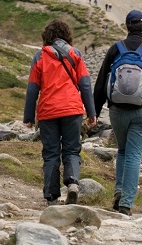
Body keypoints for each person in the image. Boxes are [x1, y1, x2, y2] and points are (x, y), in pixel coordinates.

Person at [93, 10, 142, 216]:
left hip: (117, 110)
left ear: (127, 26)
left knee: (123, 151)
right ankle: (126, 203)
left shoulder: (115, 49)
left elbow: (101, 83)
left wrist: (95, 112)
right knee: (134, 154)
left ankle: (118, 192)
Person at [23, 19, 98, 206]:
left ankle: (51, 196)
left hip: (48, 111)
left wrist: (28, 117)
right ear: (67, 35)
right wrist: (91, 112)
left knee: (50, 153)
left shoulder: (40, 56)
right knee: (72, 149)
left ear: (47, 36)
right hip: (72, 109)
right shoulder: (76, 54)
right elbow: (85, 85)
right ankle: (72, 183)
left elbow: (32, 88)